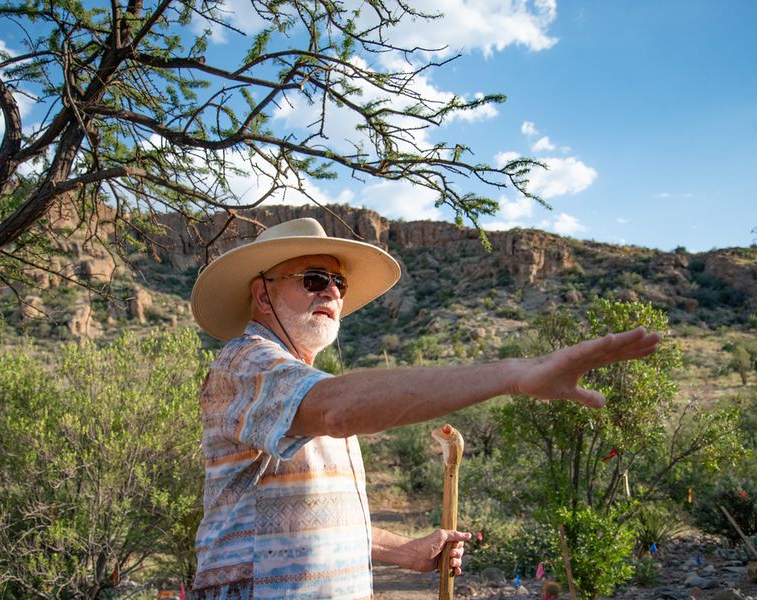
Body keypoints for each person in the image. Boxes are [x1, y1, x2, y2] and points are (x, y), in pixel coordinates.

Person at [189, 218, 660, 599]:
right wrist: (516, 375)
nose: (332, 292)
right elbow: (340, 411)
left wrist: (405, 552)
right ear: (261, 294)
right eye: (313, 279)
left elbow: (304, 520)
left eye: (338, 282)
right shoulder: (246, 362)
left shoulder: (304, 388)